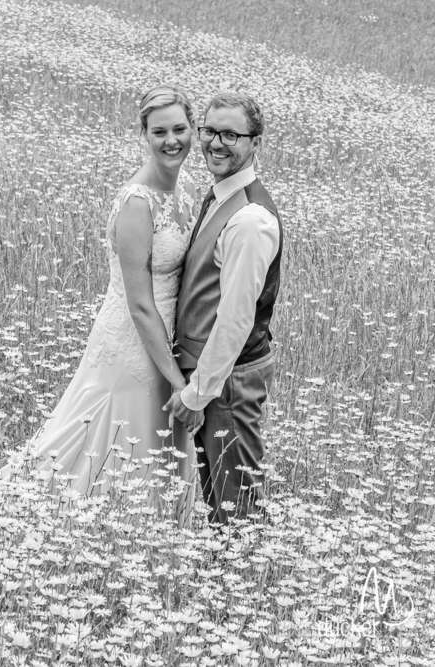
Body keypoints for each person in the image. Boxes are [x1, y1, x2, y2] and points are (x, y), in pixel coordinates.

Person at [0, 85, 198, 510]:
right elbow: (139, 304)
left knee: (160, 442)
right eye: (159, 132)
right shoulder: (138, 203)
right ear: (144, 135)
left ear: (192, 129)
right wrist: (180, 383)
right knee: (114, 438)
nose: (172, 141)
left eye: (180, 129)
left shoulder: (185, 189)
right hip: (131, 344)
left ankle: (151, 529)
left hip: (170, 335)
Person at [164, 91, 282, 525]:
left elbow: (235, 319)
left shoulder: (251, 220)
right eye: (210, 131)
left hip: (229, 381)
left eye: (231, 134)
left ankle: (246, 586)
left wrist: (199, 393)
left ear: (255, 143)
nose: (216, 142)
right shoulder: (220, 196)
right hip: (214, 377)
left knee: (235, 506)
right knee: (215, 494)